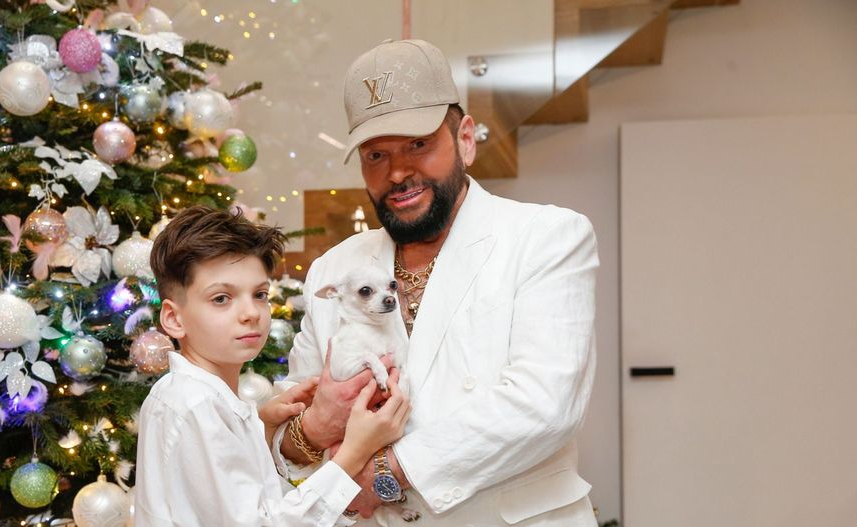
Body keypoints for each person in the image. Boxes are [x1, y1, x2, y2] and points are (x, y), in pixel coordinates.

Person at [273, 39, 600, 526]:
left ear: (465, 139)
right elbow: (291, 422)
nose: (398, 172)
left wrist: (386, 473)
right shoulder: (332, 269)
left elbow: (544, 405)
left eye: (418, 144)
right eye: (376, 154)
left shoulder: (547, 237)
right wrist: (314, 429)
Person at [135, 205, 412, 526]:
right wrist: (354, 453)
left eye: (260, 294)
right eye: (221, 298)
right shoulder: (195, 405)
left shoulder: (205, 398)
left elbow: (244, 495)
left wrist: (263, 428)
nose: (251, 313)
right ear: (173, 318)